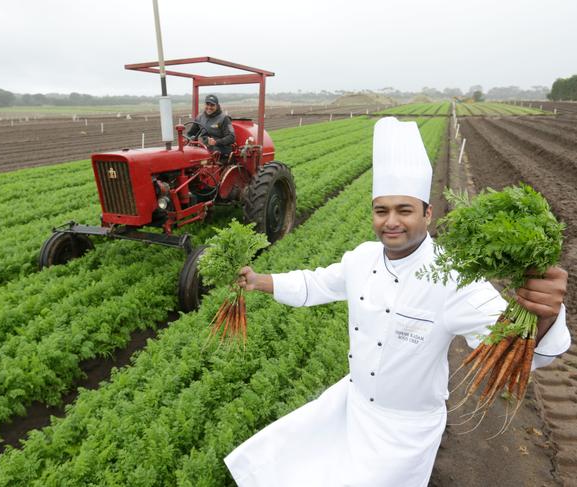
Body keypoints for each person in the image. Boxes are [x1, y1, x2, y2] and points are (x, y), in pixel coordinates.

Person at [223, 117, 570, 487]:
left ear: (428, 213)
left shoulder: (454, 277)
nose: (391, 222)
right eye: (381, 210)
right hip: (353, 407)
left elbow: (516, 348)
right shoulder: (361, 259)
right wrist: (260, 281)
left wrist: (542, 315)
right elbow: (316, 284)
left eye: (404, 210)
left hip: (406, 433)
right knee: (280, 460)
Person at [186, 94, 235, 160]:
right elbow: (191, 133)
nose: (209, 107)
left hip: (220, 152)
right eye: (207, 104)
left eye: (212, 105)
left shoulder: (224, 118)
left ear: (217, 106)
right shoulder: (200, 117)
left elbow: (231, 137)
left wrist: (216, 142)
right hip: (203, 149)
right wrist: (189, 139)